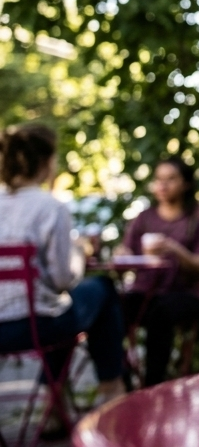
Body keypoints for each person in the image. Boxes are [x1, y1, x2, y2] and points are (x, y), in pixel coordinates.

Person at [0, 123, 126, 428]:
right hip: (33, 326)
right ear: (45, 162)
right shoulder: (50, 207)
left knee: (62, 311)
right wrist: (80, 250)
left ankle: (53, 407)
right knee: (102, 289)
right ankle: (112, 389)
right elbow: (62, 280)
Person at [118, 157, 199, 385]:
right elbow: (126, 252)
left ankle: (153, 386)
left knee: (160, 313)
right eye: (158, 179)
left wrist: (175, 249)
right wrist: (121, 254)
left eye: (171, 179)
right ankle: (121, 384)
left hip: (184, 294)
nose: (162, 185)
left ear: (186, 184)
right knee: (111, 310)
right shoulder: (144, 218)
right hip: (144, 291)